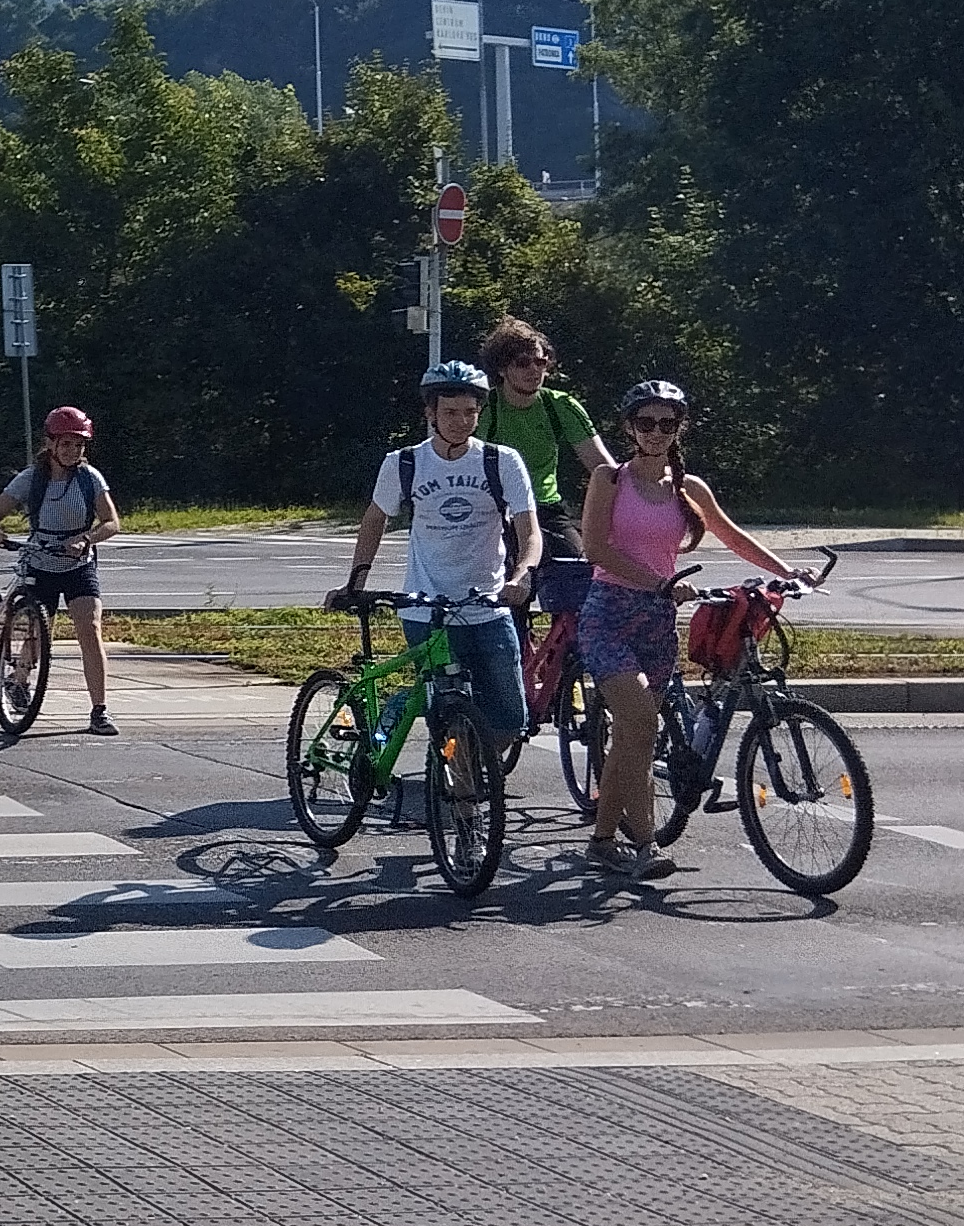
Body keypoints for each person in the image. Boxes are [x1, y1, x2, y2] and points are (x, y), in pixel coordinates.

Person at [576, 376, 805, 873]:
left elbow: (732, 535)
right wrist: (657, 582)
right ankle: (644, 847)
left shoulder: (688, 487)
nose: (656, 432)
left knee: (634, 736)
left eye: (667, 423)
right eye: (646, 422)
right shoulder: (609, 480)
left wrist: (788, 573)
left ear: (681, 428)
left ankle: (600, 841)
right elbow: (597, 549)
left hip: (658, 622)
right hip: (609, 613)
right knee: (641, 722)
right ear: (629, 427)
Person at [335, 358, 539, 778]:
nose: (461, 421)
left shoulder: (501, 462)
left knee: (509, 722)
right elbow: (375, 519)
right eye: (450, 412)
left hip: (487, 606)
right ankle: (462, 805)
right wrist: (357, 580)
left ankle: (450, 759)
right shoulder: (405, 463)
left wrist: (522, 576)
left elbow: (529, 530)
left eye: (470, 412)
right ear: (431, 413)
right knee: (446, 714)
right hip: (426, 611)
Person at [480, 319, 612, 714]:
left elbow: (602, 468)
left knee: (582, 588)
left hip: (547, 511)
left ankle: (566, 678)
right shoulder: (487, 408)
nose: (535, 370)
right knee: (510, 603)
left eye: (543, 361)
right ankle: (513, 680)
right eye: (523, 362)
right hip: (498, 512)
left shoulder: (560, 406)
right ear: (502, 368)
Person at [0, 404, 123, 733]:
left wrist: (87, 539)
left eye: (79, 445)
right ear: (51, 444)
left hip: (78, 564)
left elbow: (112, 522)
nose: (74, 451)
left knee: (91, 630)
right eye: (67, 444)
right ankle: (19, 682)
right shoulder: (31, 479)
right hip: (40, 563)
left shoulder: (89, 478)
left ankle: (99, 710)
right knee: (38, 634)